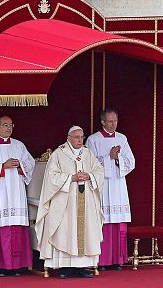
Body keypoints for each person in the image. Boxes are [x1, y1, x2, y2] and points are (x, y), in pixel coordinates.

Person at [35, 126, 105, 278]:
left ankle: (82, 266)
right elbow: (51, 177)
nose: (80, 140)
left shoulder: (88, 153)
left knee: (85, 230)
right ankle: (65, 267)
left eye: (82, 137)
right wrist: (70, 178)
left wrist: (90, 176)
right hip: (65, 202)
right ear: (69, 138)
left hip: (86, 200)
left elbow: (99, 171)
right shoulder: (59, 154)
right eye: (77, 137)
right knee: (65, 231)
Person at [0, 115, 35, 277]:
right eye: (5, 125)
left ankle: (17, 266)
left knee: (15, 226)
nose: (9, 128)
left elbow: (30, 164)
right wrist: (3, 166)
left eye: (11, 125)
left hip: (15, 191)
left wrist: (20, 166)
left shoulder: (19, 145)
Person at [86, 108, 135, 270]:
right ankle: (102, 260)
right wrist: (109, 157)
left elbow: (131, 162)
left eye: (115, 120)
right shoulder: (93, 140)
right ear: (103, 122)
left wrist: (118, 158)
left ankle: (117, 260)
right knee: (103, 222)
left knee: (118, 223)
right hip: (102, 187)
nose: (114, 124)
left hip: (119, 185)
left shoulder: (122, 138)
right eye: (110, 121)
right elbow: (89, 164)